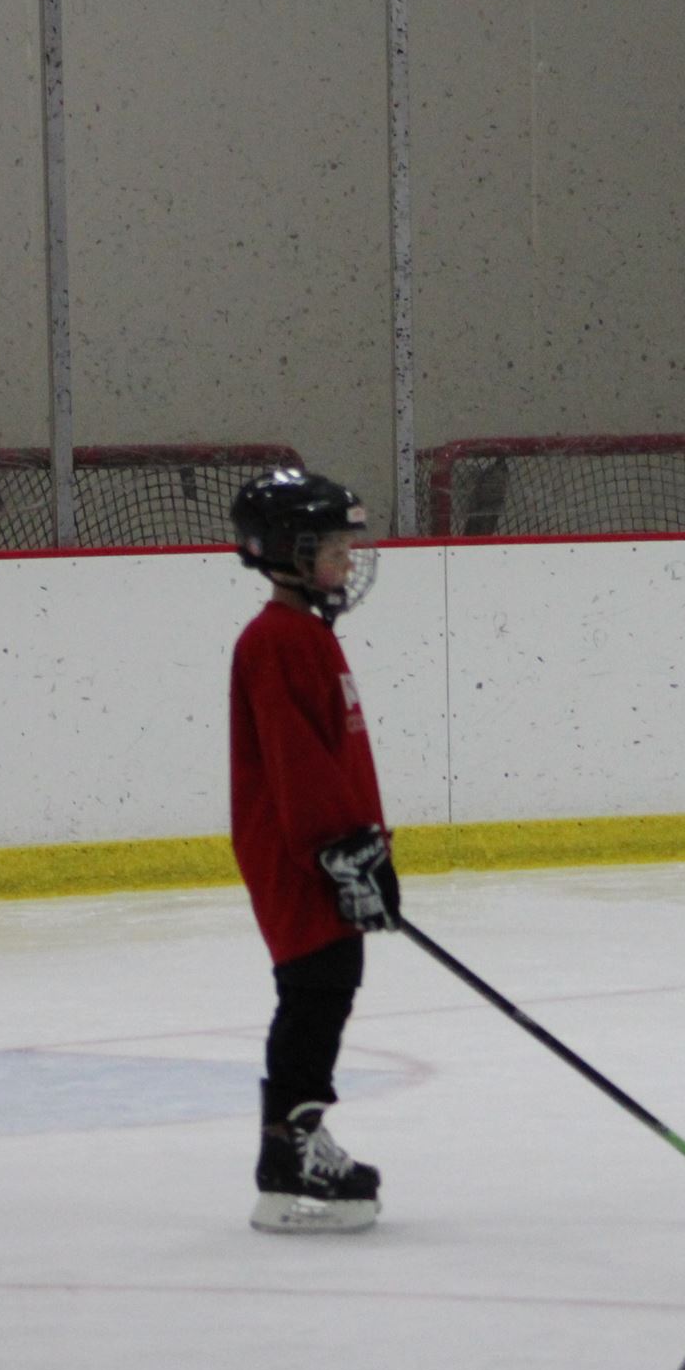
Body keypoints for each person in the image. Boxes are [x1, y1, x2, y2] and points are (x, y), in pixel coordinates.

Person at [229, 468, 400, 1234]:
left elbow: (337, 756)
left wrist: (367, 845)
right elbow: (297, 763)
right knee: (315, 985)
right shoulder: (274, 641)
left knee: (329, 980)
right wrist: (339, 848)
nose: (345, 562)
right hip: (299, 852)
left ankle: (290, 1147)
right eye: (330, 548)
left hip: (325, 847)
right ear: (285, 554)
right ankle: (291, 1151)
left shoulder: (307, 634)